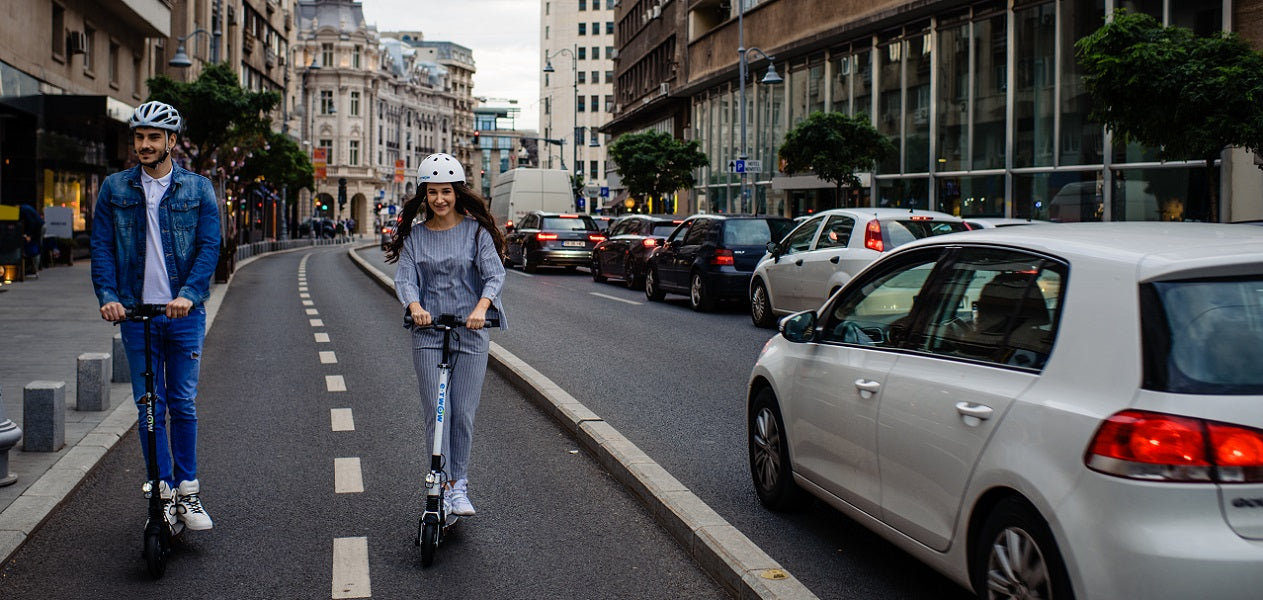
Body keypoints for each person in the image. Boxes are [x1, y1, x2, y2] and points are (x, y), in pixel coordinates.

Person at [90, 100, 220, 531]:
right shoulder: (114, 188)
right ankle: (162, 491)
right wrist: (109, 295)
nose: (143, 145)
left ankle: (188, 490)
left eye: (152, 138)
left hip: (183, 315)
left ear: (171, 142)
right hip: (136, 314)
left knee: (181, 402)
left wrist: (188, 294)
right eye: (138, 137)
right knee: (149, 404)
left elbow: (208, 249)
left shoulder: (198, 189)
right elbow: (103, 247)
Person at [385, 152, 508, 517]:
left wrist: (481, 309)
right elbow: (405, 278)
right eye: (433, 192)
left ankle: (460, 486)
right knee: (438, 413)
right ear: (424, 195)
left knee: (463, 414)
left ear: (457, 193)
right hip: (428, 332)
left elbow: (494, 275)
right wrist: (414, 306)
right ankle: (441, 480)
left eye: (447, 192)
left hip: (470, 334)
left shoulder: (476, 233)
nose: (440, 199)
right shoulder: (416, 237)